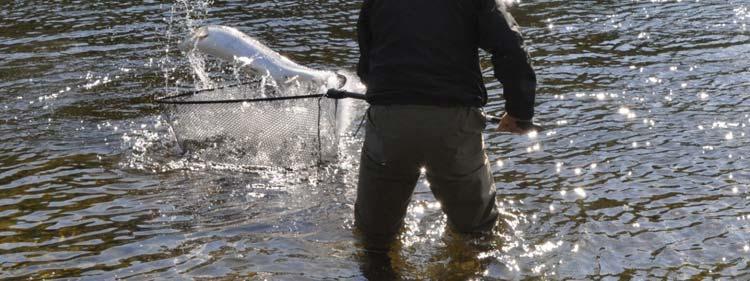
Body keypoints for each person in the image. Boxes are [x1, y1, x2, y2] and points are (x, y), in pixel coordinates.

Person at [354, 0, 537, 252]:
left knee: (374, 237)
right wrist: (519, 112)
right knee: (478, 234)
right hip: (453, 123)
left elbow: (366, 65)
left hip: (389, 121)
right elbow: (510, 48)